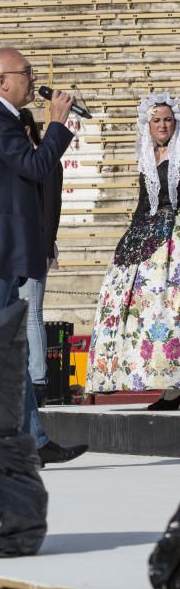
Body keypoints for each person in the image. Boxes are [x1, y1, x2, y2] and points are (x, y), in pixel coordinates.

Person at [0, 46, 87, 465]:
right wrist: (58, 125)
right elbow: (36, 165)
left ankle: (35, 441)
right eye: (26, 72)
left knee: (10, 352)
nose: (33, 78)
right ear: (2, 79)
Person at [87, 92, 180, 410]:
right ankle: (167, 384)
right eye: (157, 120)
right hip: (148, 229)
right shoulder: (146, 159)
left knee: (170, 306)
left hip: (175, 234)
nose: (163, 125)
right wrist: (131, 239)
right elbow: (145, 203)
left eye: (168, 119)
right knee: (148, 306)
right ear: (148, 125)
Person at [17, 109, 64, 408]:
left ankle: (37, 378)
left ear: (27, 129)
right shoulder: (16, 161)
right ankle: (23, 376)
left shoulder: (45, 159)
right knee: (18, 314)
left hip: (34, 245)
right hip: (12, 247)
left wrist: (47, 247)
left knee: (32, 311)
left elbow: (52, 207)